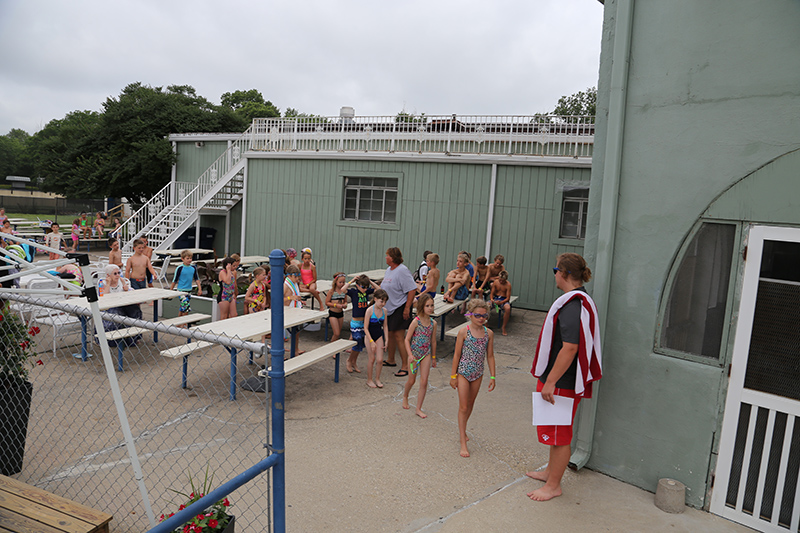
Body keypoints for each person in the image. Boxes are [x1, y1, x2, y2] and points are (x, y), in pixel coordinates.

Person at [526, 253, 602, 502]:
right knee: (554, 432)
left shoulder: (573, 306)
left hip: (561, 382)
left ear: (566, 274)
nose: (554, 274)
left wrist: (550, 382)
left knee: (559, 435)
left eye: (555, 269)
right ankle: (550, 472)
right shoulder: (577, 302)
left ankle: (554, 486)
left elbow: (570, 348)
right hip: (560, 380)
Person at [450, 298, 496, 457]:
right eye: (478, 315)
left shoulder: (488, 334)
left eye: (485, 316)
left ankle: (463, 428)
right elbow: (456, 355)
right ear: (470, 315)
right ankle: (462, 440)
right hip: (463, 372)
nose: (482, 319)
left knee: (470, 404)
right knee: (463, 406)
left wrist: (493, 376)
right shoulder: (464, 332)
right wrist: (453, 375)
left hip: (478, 373)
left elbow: (490, 356)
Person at [382, 247, 418, 377]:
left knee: (399, 336)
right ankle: (391, 359)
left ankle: (406, 366)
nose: (385, 257)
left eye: (387, 255)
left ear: (393, 257)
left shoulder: (402, 270)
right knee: (390, 334)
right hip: (389, 308)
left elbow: (412, 289)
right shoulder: (388, 270)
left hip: (400, 307)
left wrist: (407, 308)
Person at [402, 294, 437, 418]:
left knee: (424, 381)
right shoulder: (415, 321)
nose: (430, 308)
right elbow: (407, 339)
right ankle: (405, 395)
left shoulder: (433, 323)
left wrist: (433, 357)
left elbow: (433, 341)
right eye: (427, 305)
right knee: (411, 380)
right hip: (414, 355)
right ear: (422, 306)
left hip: (425, 355)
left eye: (431, 305)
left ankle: (418, 408)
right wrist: (410, 355)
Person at [98, 264, 142, 346]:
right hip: (110, 306)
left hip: (124, 304)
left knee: (135, 311)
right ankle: (114, 340)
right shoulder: (102, 283)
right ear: (108, 275)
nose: (118, 275)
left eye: (119, 273)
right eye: (115, 273)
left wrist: (127, 289)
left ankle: (133, 338)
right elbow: (103, 298)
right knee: (116, 313)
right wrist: (108, 284)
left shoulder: (121, 281)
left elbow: (131, 292)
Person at [345, 274, 379, 373]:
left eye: (366, 287)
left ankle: (354, 362)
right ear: (357, 285)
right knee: (356, 342)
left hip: (364, 322)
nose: (365, 289)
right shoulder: (354, 292)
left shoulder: (366, 292)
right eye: (363, 287)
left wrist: (370, 282)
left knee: (360, 345)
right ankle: (349, 360)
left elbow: (379, 289)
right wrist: (352, 281)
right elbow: (343, 289)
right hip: (355, 322)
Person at [364, 289, 389, 389]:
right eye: (381, 301)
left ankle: (377, 378)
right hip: (369, 336)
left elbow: (385, 326)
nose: (383, 304)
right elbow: (365, 327)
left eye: (385, 301)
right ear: (375, 299)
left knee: (380, 359)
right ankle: (369, 379)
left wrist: (387, 339)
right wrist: (371, 341)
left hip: (378, 336)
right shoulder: (369, 310)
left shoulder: (385, 311)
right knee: (372, 358)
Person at [169, 250, 199, 318]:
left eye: (190, 258)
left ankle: (179, 324)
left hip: (189, 290)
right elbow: (175, 280)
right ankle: (184, 324)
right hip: (181, 291)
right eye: (187, 258)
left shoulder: (193, 267)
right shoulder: (180, 268)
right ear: (182, 259)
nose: (189, 260)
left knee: (182, 308)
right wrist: (170, 290)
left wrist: (199, 288)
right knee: (186, 308)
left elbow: (197, 278)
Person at [284, 265, 305, 354]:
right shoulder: (285, 285)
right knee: (284, 334)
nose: (297, 278)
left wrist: (300, 300)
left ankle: (295, 348)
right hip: (287, 311)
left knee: (297, 332)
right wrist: (290, 298)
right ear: (289, 276)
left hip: (295, 309)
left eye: (298, 276)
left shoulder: (295, 283)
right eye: (295, 276)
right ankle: (283, 351)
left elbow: (295, 295)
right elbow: (277, 299)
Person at [325, 272, 348, 342]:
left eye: (343, 282)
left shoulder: (344, 291)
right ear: (335, 282)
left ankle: (335, 348)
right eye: (340, 282)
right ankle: (331, 348)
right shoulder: (331, 291)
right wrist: (335, 305)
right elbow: (327, 302)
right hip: (333, 313)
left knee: (338, 333)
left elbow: (345, 301)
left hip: (340, 313)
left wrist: (345, 305)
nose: (342, 284)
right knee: (336, 333)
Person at [490, 270, 512, 335]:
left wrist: (501, 302)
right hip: (496, 298)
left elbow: (508, 298)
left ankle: (503, 327)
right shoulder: (495, 282)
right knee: (486, 305)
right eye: (500, 280)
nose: (501, 281)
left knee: (508, 308)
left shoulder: (508, 285)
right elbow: (492, 293)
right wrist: (492, 299)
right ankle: (485, 326)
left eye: (503, 280)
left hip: (503, 299)